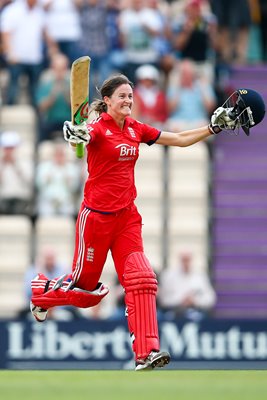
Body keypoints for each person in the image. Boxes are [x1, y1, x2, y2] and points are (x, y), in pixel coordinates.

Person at [29, 73, 247, 371]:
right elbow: (83, 136)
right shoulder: (97, 128)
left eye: (130, 96)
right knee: (87, 292)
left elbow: (180, 139)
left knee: (143, 279)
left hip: (127, 217)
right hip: (96, 219)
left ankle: (146, 353)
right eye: (122, 96)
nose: (128, 100)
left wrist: (214, 127)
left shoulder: (135, 128)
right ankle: (42, 293)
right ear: (107, 101)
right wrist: (74, 136)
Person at [158, 251, 217, 321]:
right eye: (184, 260)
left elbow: (210, 298)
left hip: (196, 311)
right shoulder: (169, 276)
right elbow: (163, 299)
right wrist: (181, 301)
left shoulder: (200, 276)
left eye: (188, 260)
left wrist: (195, 301)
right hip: (174, 312)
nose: (186, 263)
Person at [36, 53, 71, 142]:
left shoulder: (72, 85)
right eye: (57, 68)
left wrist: (65, 91)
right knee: (41, 127)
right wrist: (53, 94)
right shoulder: (46, 84)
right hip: (51, 120)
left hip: (68, 121)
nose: (60, 72)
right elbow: (41, 107)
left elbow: (79, 108)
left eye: (62, 69)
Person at [0, 131, 34, 215]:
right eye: (6, 148)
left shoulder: (25, 162)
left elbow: (29, 181)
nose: (9, 151)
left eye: (11, 148)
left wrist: (15, 165)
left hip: (20, 197)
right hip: (3, 198)